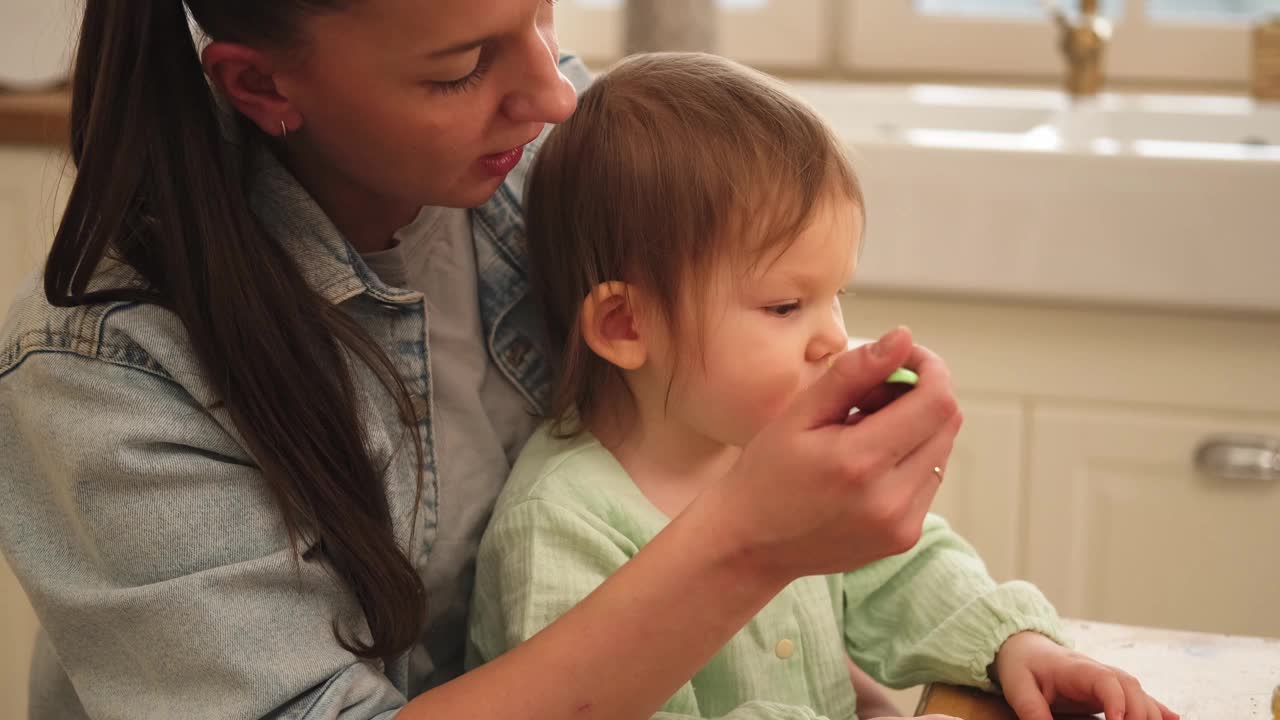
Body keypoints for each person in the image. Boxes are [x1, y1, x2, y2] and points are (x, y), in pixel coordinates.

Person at [466, 53, 1178, 720]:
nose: (834, 337)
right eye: (785, 306)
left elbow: (901, 570)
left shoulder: (765, 446)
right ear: (626, 324)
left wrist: (1015, 646)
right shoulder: (564, 524)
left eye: (836, 294)